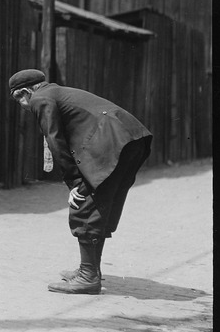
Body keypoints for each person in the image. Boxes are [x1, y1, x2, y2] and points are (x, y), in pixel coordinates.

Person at [9, 69, 152, 295]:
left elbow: (55, 140)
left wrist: (75, 182)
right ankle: (89, 270)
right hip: (131, 138)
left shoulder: (40, 99)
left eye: (19, 99)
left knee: (84, 203)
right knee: (100, 203)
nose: (22, 106)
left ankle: (88, 277)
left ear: (26, 92)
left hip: (112, 141)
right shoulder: (56, 92)